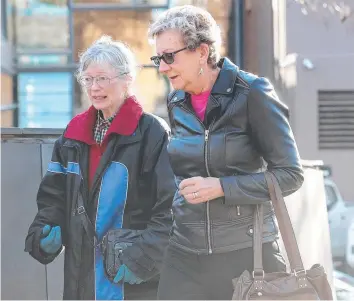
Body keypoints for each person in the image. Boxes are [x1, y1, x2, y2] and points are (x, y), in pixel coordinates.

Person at [148, 5, 304, 300]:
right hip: (184, 251)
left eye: (170, 57)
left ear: (202, 52)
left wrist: (222, 187)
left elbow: (290, 175)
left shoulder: (252, 92)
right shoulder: (175, 101)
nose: (162, 67)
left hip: (244, 255)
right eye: (158, 58)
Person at [25, 36, 176, 300]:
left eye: (103, 78)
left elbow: (170, 208)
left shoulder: (152, 134)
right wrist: (44, 233)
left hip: (131, 282)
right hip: (80, 280)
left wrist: (144, 258)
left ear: (127, 79)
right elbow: (52, 199)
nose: (94, 87)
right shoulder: (71, 137)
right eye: (88, 79)